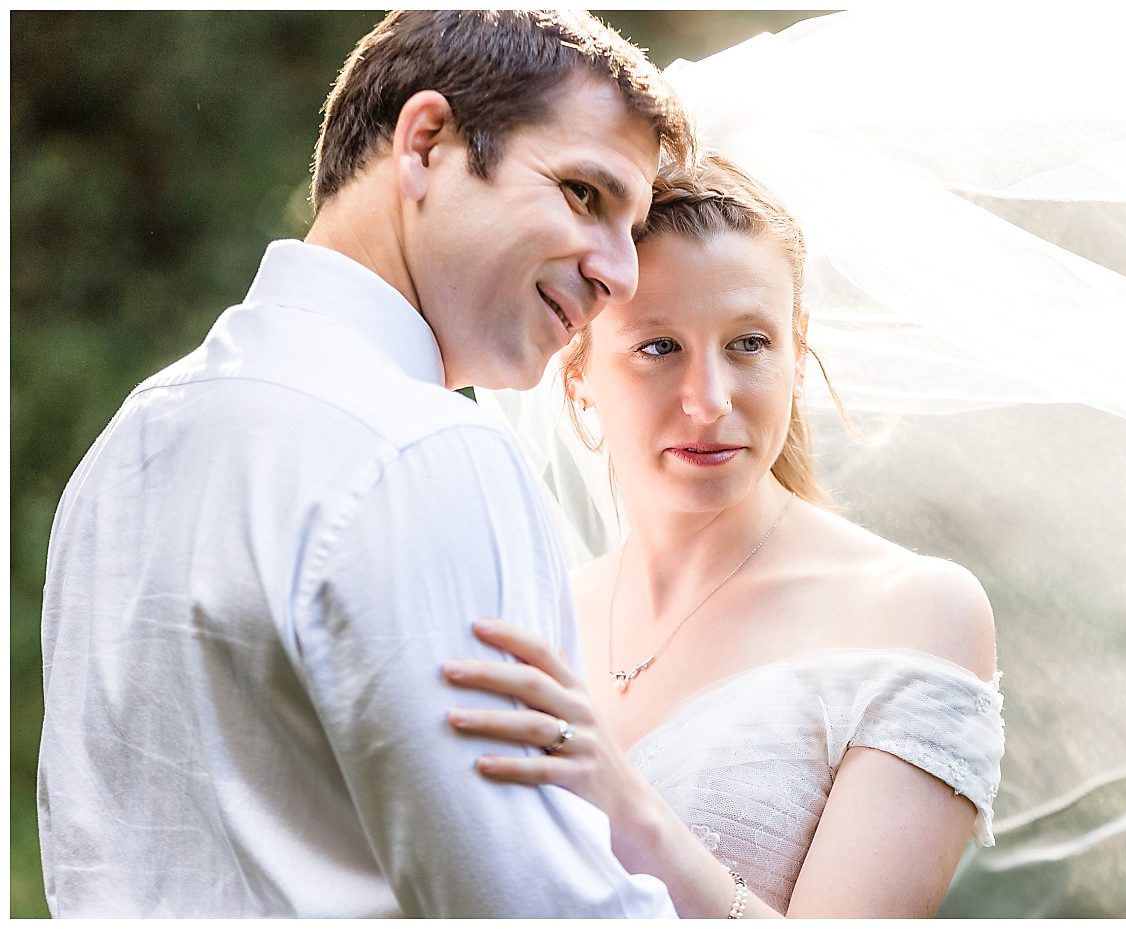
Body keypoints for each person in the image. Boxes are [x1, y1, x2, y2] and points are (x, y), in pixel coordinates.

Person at [37, 10, 691, 917]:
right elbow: (538, 906)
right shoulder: (427, 450)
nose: (619, 273)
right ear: (425, 143)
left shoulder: (127, 447)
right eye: (586, 194)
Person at [445, 153, 1004, 918]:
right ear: (577, 375)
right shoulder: (531, 618)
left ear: (797, 352)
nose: (708, 401)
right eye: (658, 347)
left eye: (749, 343)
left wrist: (623, 805)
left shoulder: (909, 613)